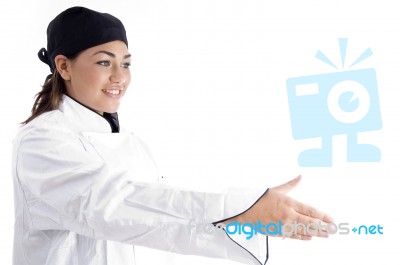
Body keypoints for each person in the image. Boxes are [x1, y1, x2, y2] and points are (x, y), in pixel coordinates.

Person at [12, 6, 333, 265]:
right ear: (63, 66)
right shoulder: (41, 141)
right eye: (103, 62)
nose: (118, 77)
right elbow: (109, 207)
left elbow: (160, 227)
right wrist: (239, 206)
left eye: (126, 64)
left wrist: (241, 219)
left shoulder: (132, 145)